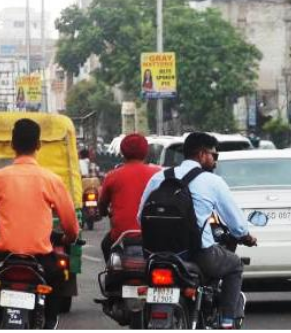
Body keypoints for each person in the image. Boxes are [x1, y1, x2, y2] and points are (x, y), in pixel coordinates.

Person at [137, 132, 256, 330]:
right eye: (214, 155)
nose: (215, 161)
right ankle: (227, 322)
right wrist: (246, 237)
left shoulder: (159, 177)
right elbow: (237, 225)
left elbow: (140, 217)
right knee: (234, 265)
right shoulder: (212, 182)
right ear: (202, 154)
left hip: (155, 256)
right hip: (198, 255)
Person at [0, 119, 80, 322]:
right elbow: (71, 227)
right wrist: (67, 238)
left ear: (12, 144)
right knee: (56, 282)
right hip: (41, 260)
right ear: (38, 145)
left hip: (3, 257)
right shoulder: (52, 180)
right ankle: (48, 323)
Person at [97, 134, 160, 262]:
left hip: (121, 236)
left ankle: (110, 276)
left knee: (106, 245)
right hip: (153, 234)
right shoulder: (158, 174)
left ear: (122, 153)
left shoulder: (112, 176)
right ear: (146, 152)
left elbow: (102, 203)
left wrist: (104, 212)